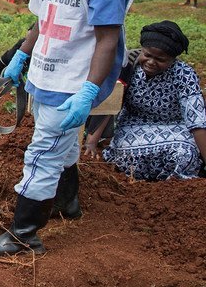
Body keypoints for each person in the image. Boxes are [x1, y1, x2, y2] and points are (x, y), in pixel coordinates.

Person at [0, 0, 134, 257]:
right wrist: (20, 56)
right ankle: (68, 203)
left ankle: (23, 234)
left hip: (74, 83)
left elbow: (108, 39)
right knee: (60, 149)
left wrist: (89, 91)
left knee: (42, 153)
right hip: (46, 74)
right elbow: (41, 21)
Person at [86, 21, 206, 180]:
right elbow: (111, 101)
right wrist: (91, 142)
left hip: (175, 126)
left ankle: (174, 186)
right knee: (124, 156)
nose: (151, 62)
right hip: (133, 125)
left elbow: (196, 121)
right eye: (147, 55)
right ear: (142, 50)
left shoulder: (184, 75)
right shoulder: (128, 64)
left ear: (172, 60)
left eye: (160, 59)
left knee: (184, 154)